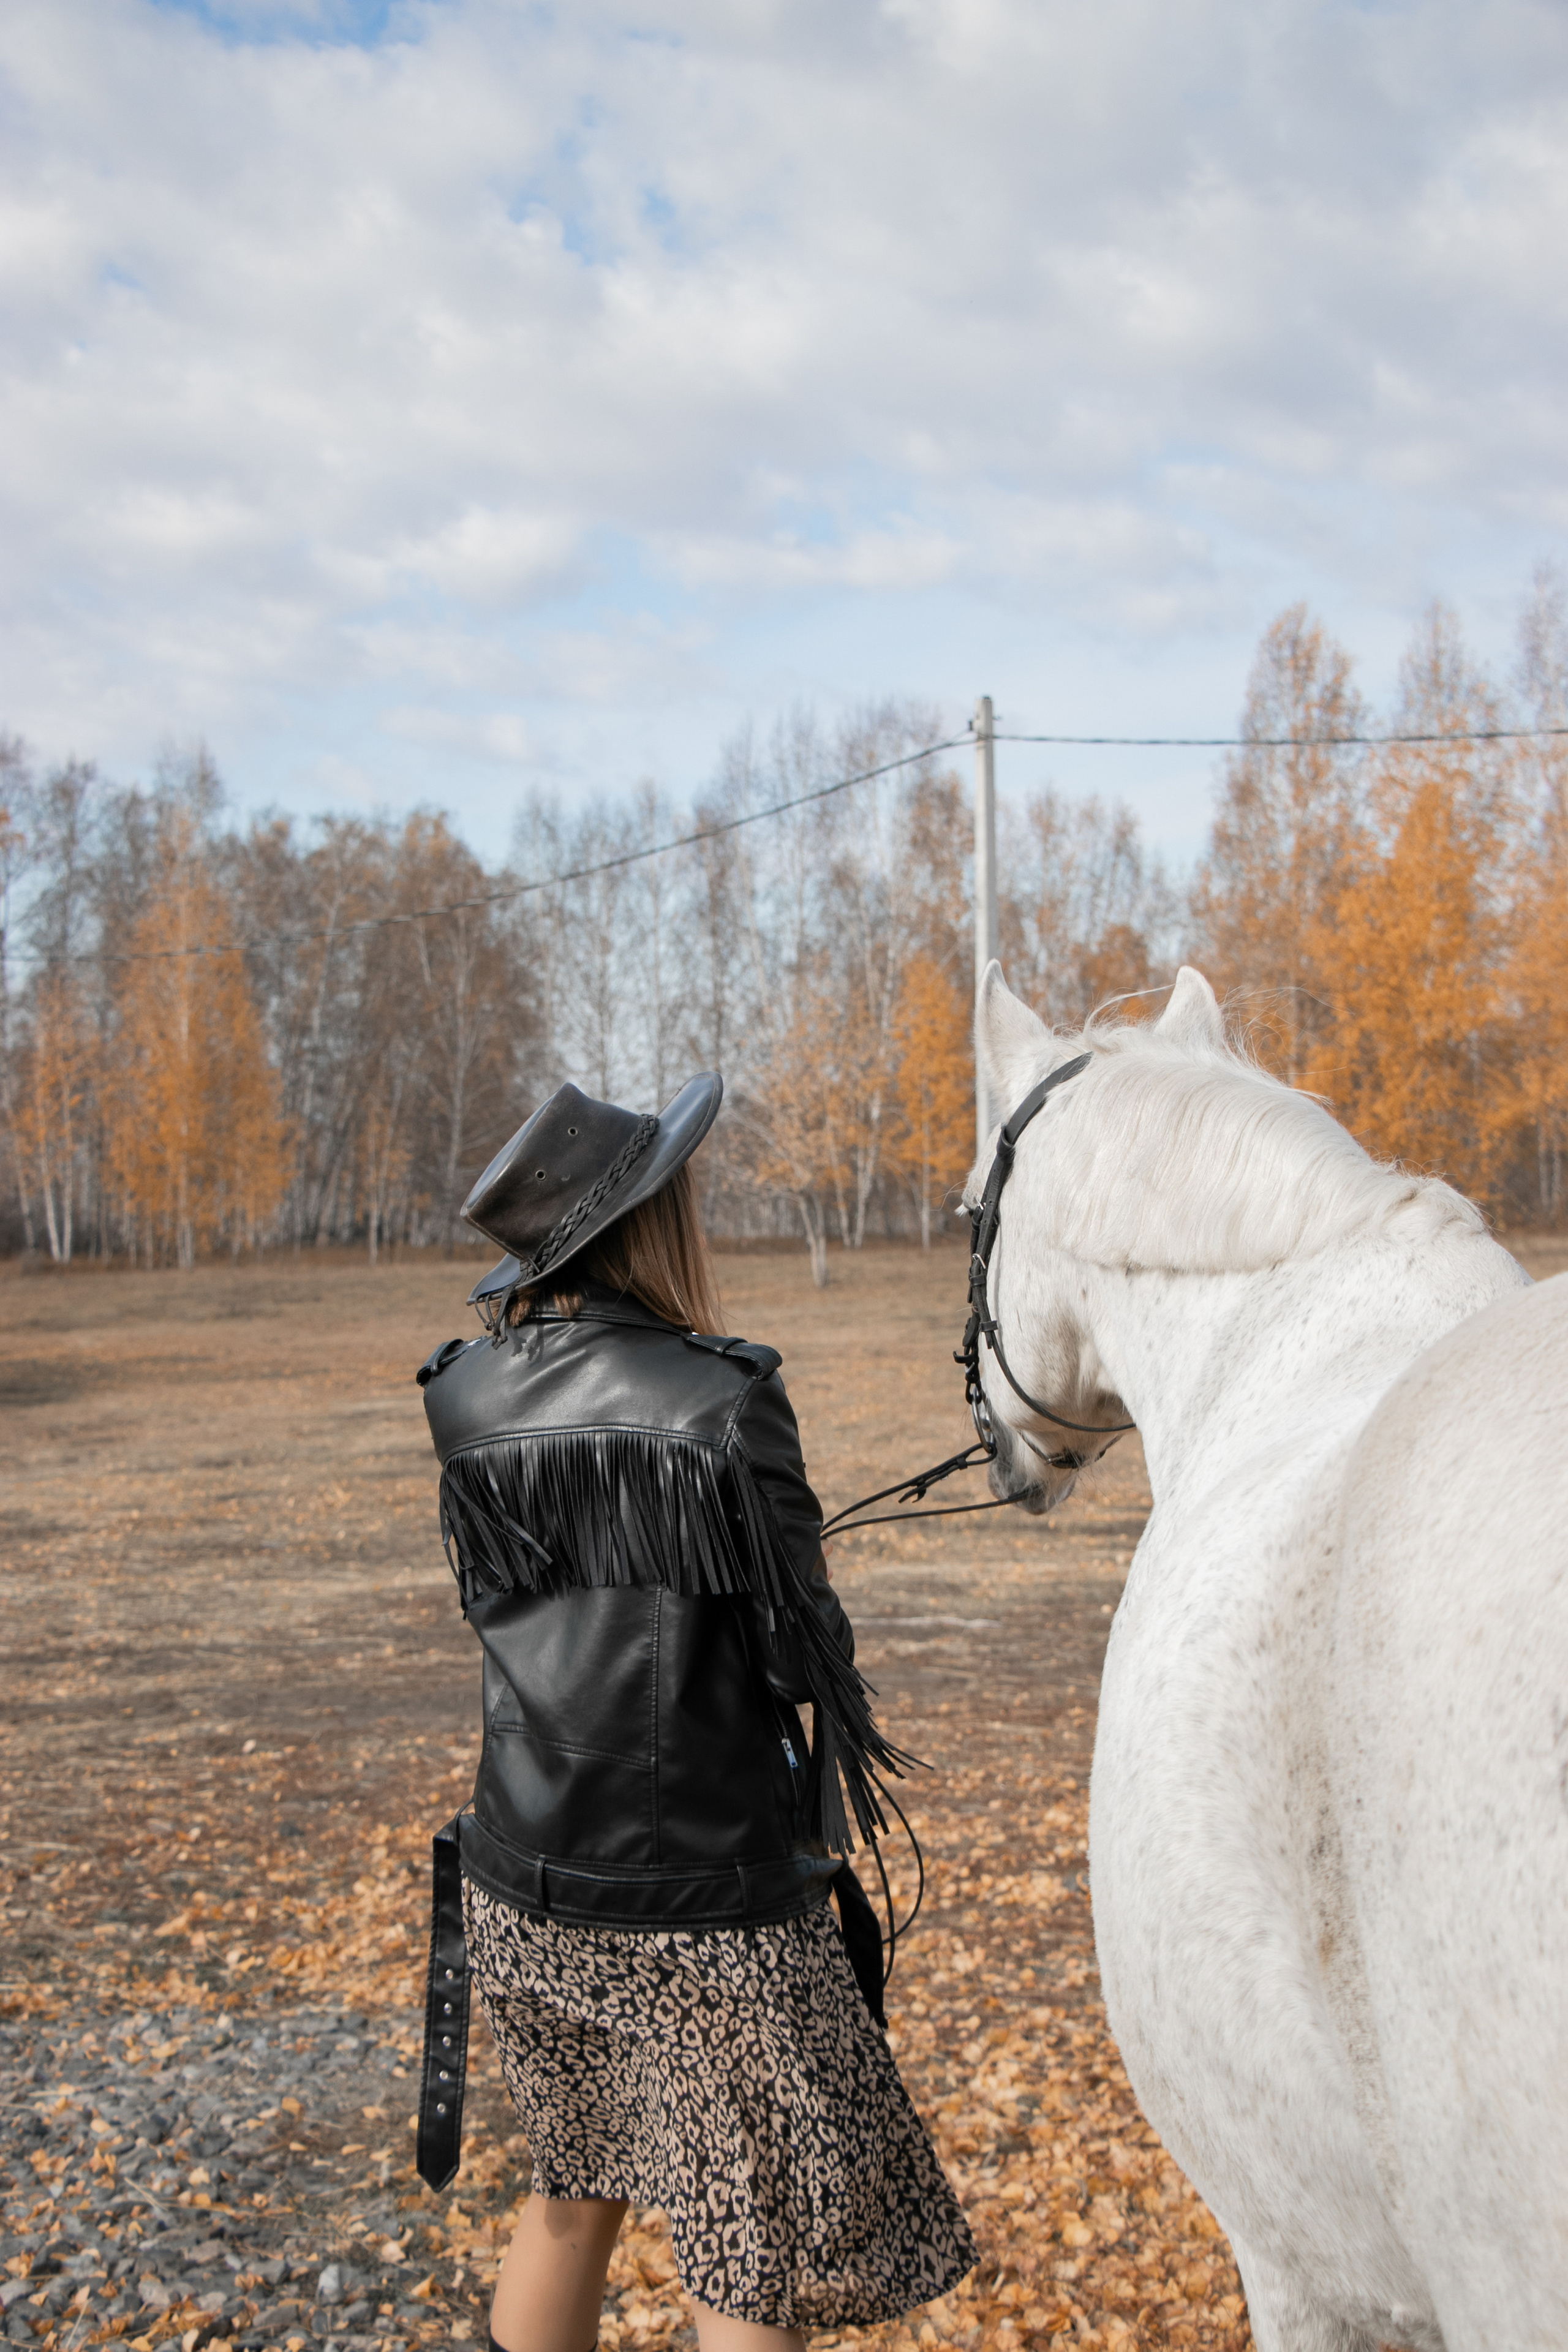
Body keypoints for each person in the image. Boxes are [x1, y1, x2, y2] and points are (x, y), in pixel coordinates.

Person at [413, 1071, 974, 2352]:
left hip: (523, 1872)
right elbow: (794, 1657)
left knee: (570, 2196)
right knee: (747, 2238)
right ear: (649, 1224)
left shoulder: (460, 1396)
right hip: (702, 1903)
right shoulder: (721, 1395)